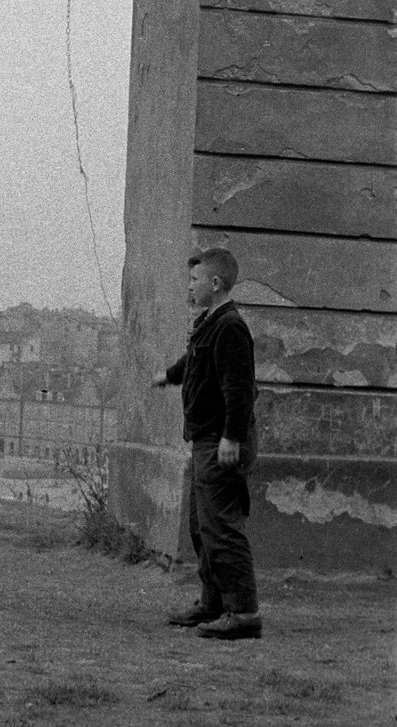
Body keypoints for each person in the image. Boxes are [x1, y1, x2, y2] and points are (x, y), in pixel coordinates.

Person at [152, 247, 261, 640]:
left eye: (195, 281)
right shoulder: (210, 324)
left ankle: (243, 612)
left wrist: (232, 437)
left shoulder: (230, 327)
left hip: (220, 441)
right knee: (202, 527)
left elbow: (239, 390)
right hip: (206, 440)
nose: (190, 287)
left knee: (222, 528)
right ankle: (213, 603)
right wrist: (170, 375)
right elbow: (194, 362)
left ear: (215, 284)